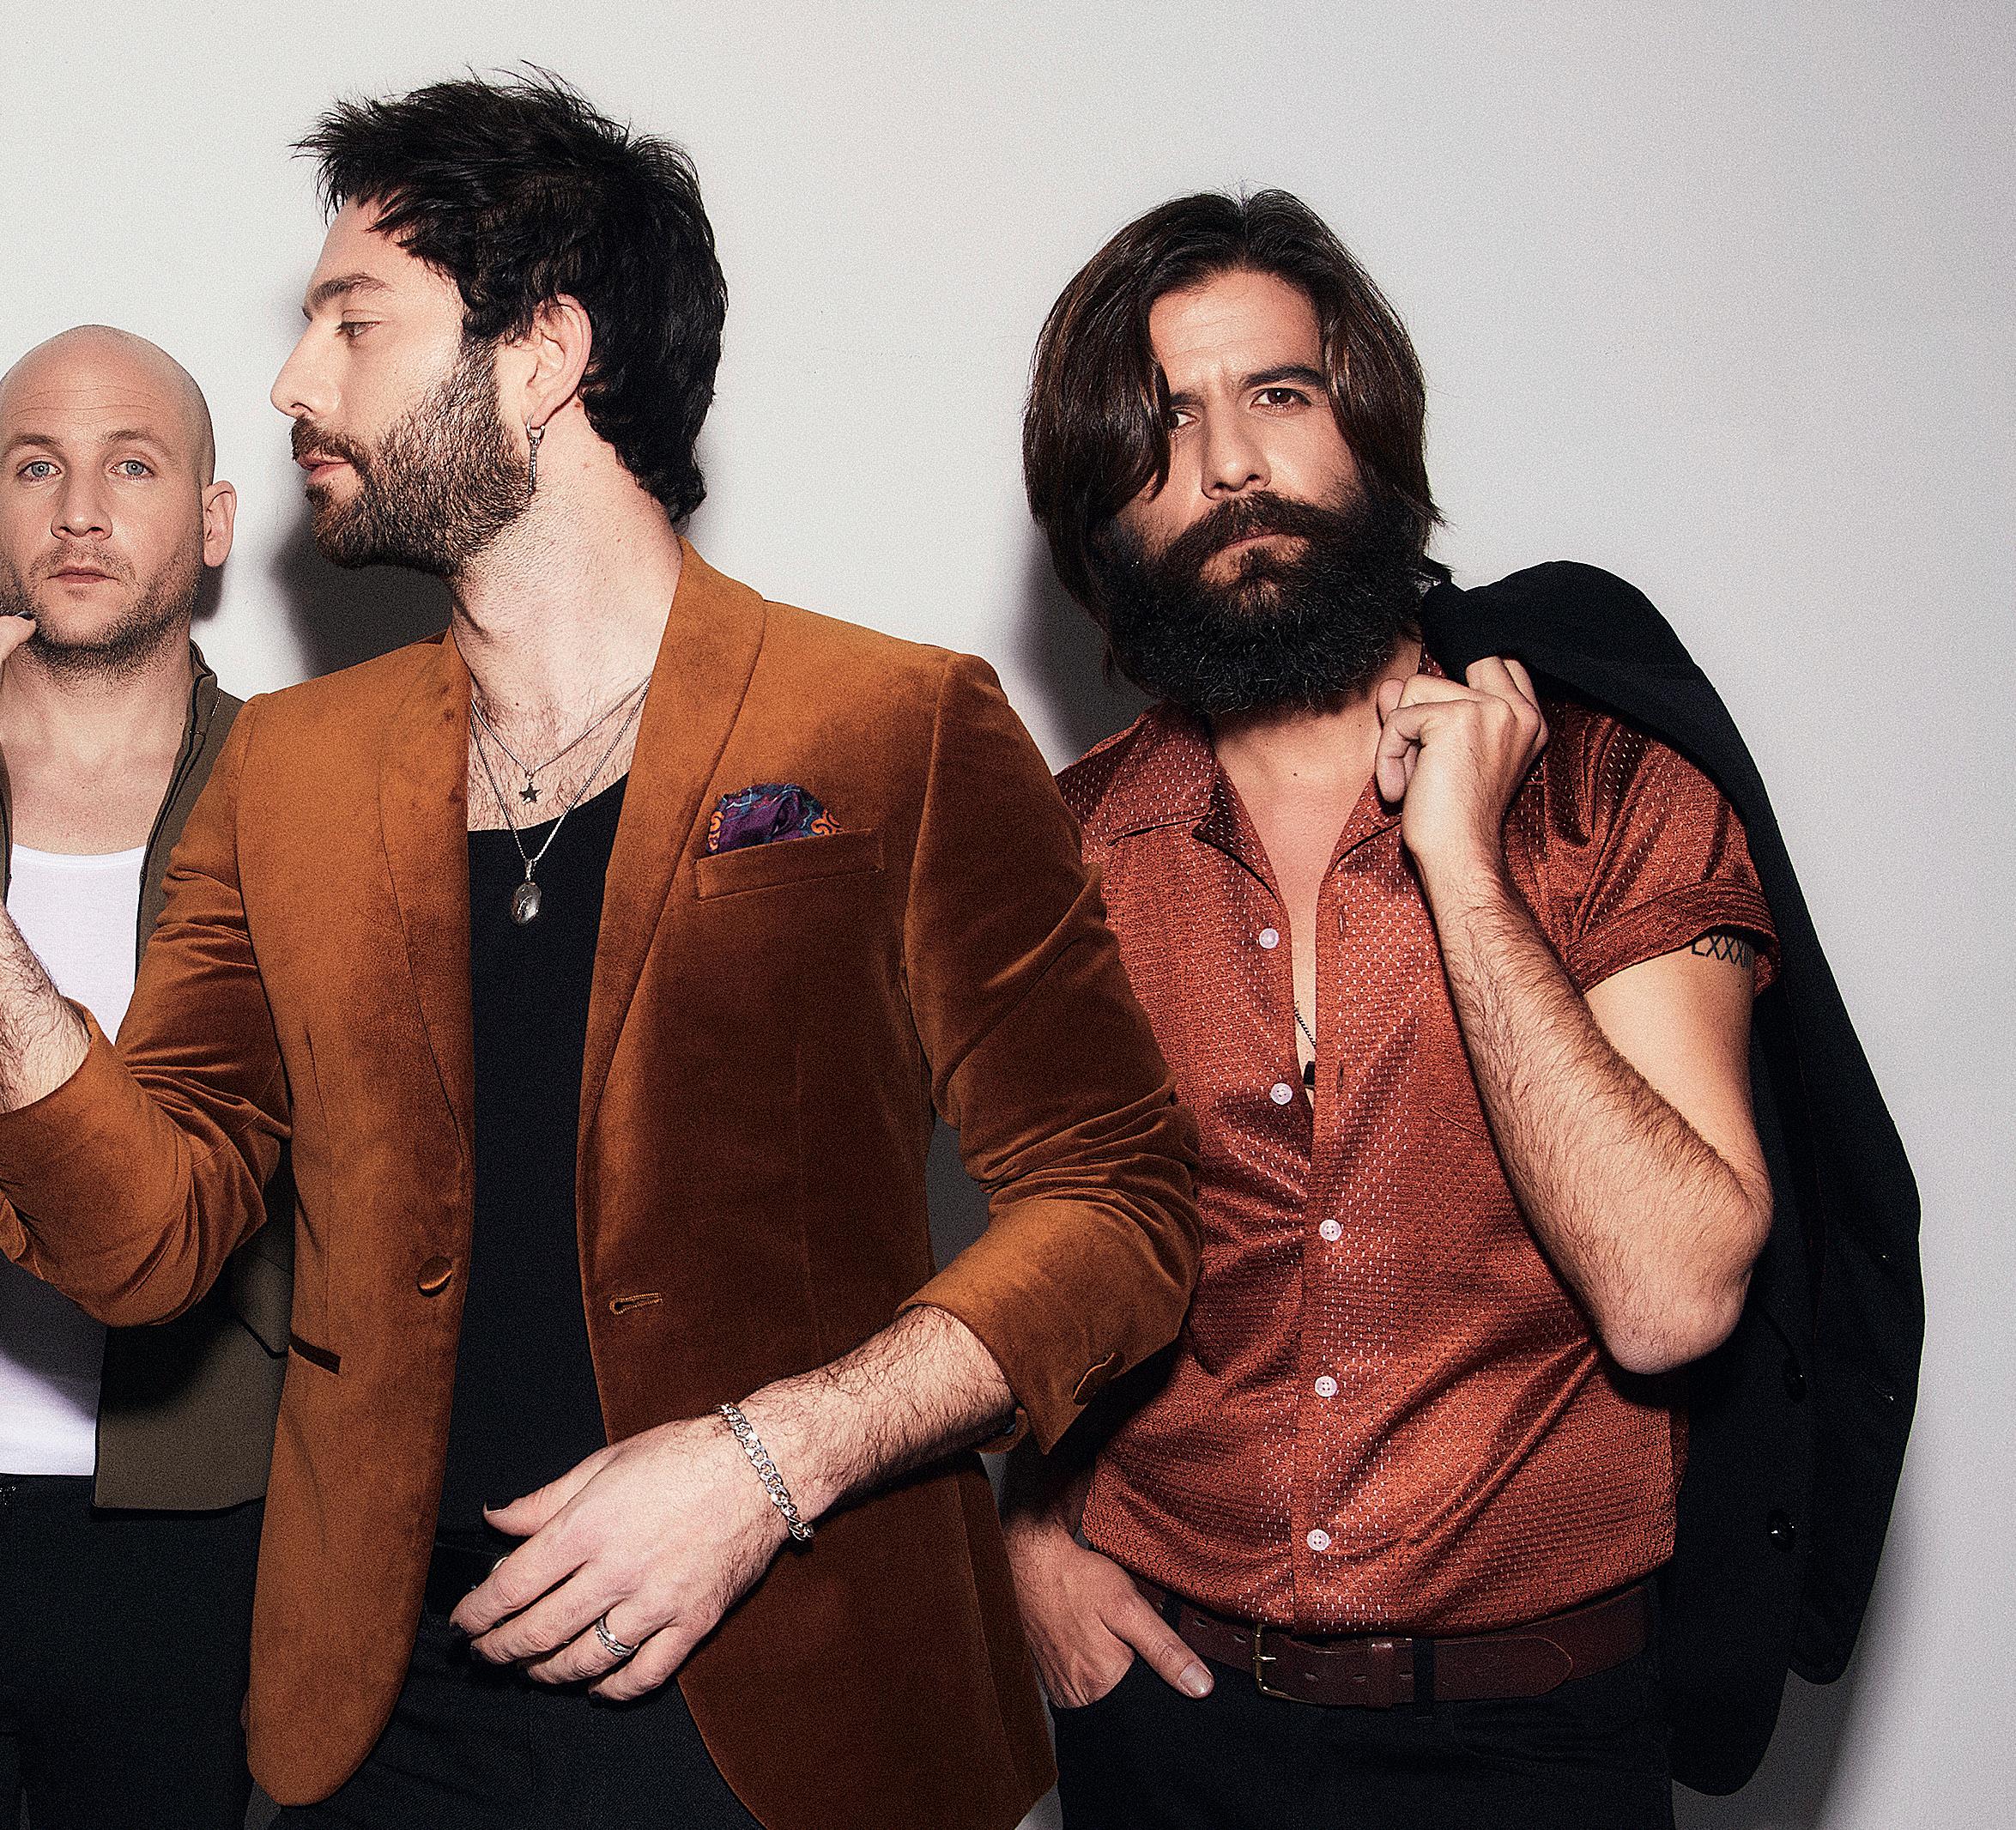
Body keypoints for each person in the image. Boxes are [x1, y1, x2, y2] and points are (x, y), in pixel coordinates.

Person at [0, 76, 1198, 1830]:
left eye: (354, 322)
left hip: (804, 1716)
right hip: (390, 1723)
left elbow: (1120, 1201)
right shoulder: (291, 772)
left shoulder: (890, 725)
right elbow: (151, 1241)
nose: (293, 383)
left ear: (543, 352)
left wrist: (772, 1461)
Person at [1005, 189, 1789, 1828]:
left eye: (1277, 395)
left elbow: (1668, 1296)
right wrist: (1015, 1526)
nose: (1231, 466)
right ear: (1099, 510)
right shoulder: (1059, 858)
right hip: (1169, 1723)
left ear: (1368, 428)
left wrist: (1464, 870)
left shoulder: (1608, 797)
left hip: (1534, 1741)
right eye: (1162, 428)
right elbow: (993, 1255)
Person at [0, 326, 288, 1828]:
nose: (79, 511)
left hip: (193, 1516)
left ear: (213, 520)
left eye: (131, 465)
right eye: (33, 465)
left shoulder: (303, 793)